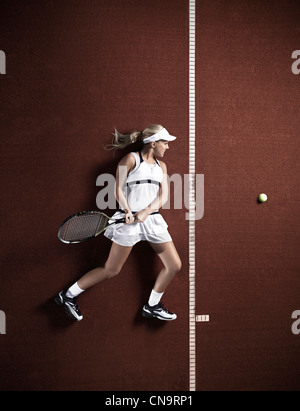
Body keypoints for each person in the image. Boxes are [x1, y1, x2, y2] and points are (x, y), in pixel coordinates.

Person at [55, 124, 182, 321]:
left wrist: (147, 211)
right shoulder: (130, 159)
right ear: (154, 143)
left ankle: (152, 305)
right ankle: (68, 296)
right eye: (165, 143)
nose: (168, 146)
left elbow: (164, 196)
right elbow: (118, 191)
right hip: (129, 221)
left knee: (174, 265)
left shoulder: (161, 166)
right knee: (111, 270)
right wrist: (128, 211)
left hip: (152, 220)